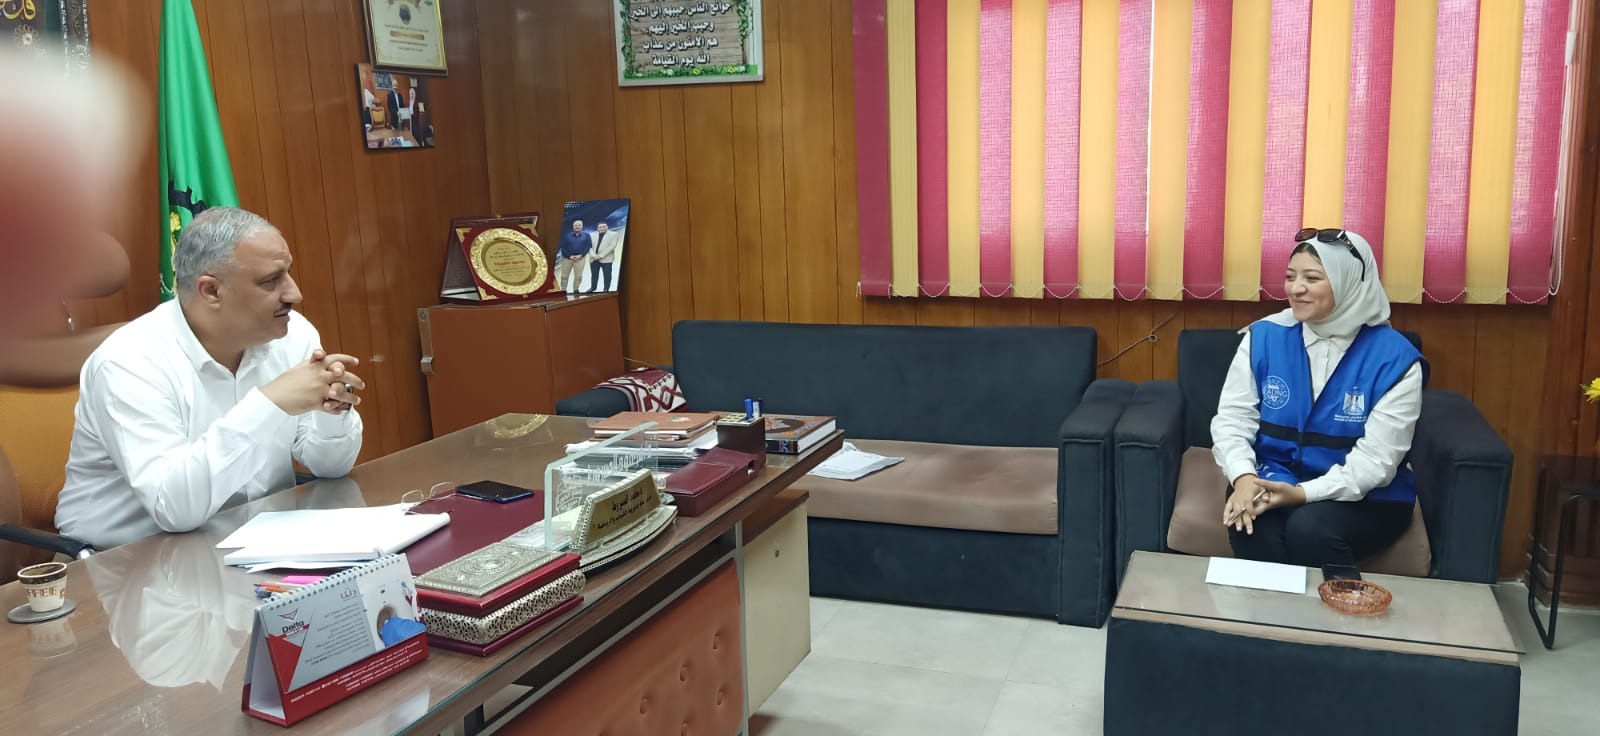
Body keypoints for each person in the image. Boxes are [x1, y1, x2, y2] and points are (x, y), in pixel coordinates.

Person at [54, 207, 366, 549]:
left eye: (288, 273)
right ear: (211, 291)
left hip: (257, 543)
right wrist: (270, 403)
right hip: (125, 559)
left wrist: (333, 409)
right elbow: (174, 509)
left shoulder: (292, 335)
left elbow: (331, 466)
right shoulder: (128, 363)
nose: (294, 294)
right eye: (271, 280)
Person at [1212, 228, 1426, 570]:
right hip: (1273, 474)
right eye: (1290, 277)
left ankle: (1342, 605)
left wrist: (1302, 494)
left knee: (1311, 530)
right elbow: (1232, 421)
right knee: (1249, 526)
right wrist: (1243, 478)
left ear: (1349, 283)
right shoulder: (1263, 337)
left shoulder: (1395, 360)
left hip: (1369, 496)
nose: (1296, 289)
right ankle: (1271, 609)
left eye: (1312, 278)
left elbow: (1376, 463)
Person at [556, 219, 591, 293]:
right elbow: (563, 248)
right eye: (575, 225)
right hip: (567, 259)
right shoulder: (567, 236)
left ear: (582, 226)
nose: (577, 227)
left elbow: (588, 247)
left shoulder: (586, 236)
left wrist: (581, 255)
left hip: (580, 259)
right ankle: (563, 289)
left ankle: (576, 289)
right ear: (573, 226)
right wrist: (569, 256)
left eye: (579, 225)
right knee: (564, 276)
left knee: (578, 276)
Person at [588, 221, 620, 292]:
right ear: (597, 228)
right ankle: (593, 288)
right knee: (594, 275)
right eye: (600, 227)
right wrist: (593, 255)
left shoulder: (614, 234)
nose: (602, 228)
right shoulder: (592, 235)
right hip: (593, 259)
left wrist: (600, 256)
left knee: (607, 275)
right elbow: (589, 246)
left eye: (604, 226)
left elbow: (612, 246)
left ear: (607, 227)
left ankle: (606, 289)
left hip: (606, 259)